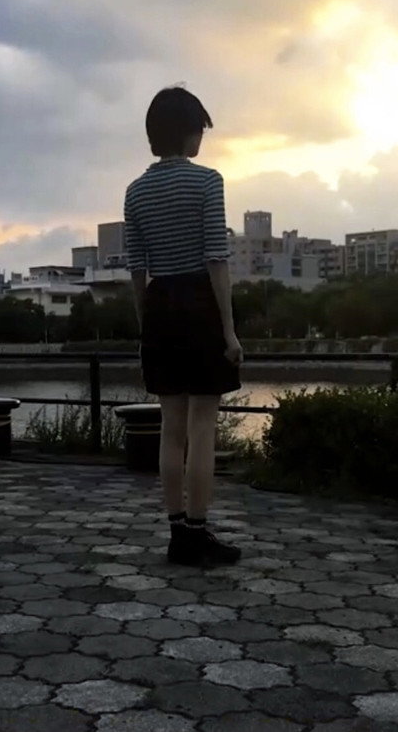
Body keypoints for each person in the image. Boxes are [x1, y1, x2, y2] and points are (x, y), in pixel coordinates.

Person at [124, 86, 244, 567]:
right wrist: (229, 332)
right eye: (200, 130)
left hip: (159, 307)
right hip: (199, 303)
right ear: (189, 131)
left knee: (170, 428)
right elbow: (216, 258)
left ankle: (177, 534)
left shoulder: (135, 191)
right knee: (202, 428)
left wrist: (144, 325)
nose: (202, 139)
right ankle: (197, 531)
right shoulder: (207, 182)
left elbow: (137, 268)